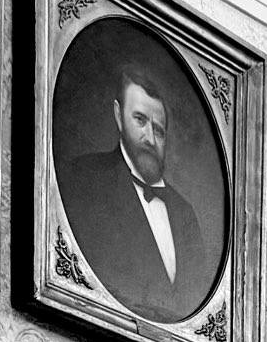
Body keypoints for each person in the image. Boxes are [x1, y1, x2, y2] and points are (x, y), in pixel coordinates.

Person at [56, 59, 216, 322]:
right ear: (119, 116)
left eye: (159, 130)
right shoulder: (86, 178)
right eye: (140, 120)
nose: (150, 139)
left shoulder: (184, 212)